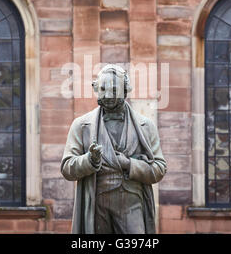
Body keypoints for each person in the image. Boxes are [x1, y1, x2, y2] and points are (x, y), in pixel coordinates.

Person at [61, 64, 167, 234]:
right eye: (103, 89)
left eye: (114, 89)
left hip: (132, 205)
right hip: (96, 204)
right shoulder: (81, 126)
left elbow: (159, 169)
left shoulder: (146, 126)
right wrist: (89, 160)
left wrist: (129, 164)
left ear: (125, 90)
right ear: (96, 89)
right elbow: (67, 168)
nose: (108, 95)